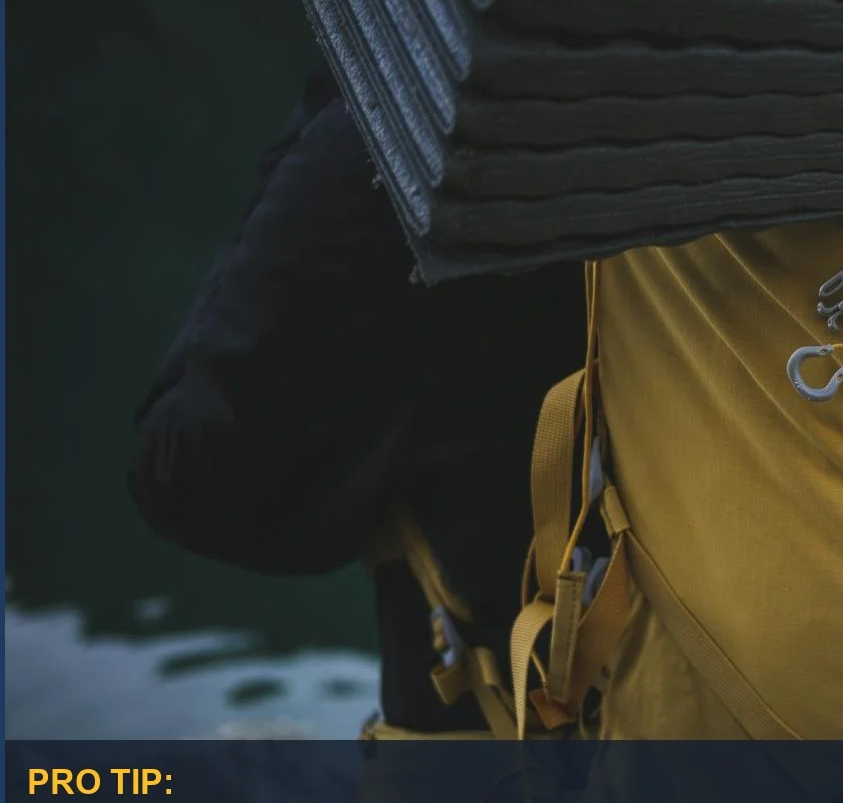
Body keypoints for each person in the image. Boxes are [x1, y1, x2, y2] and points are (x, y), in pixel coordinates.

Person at [128, 72, 586, 734]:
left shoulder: (418, 118)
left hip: (526, 788)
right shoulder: (767, 72)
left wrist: (328, 113)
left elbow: (186, 477)